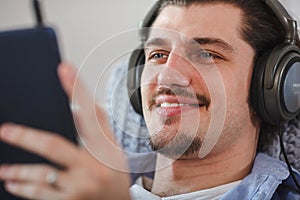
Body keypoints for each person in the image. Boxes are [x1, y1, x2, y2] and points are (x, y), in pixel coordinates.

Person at [0, 0, 300, 200]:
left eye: (206, 54)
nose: (168, 77)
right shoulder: (69, 182)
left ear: (271, 85)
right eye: (157, 55)